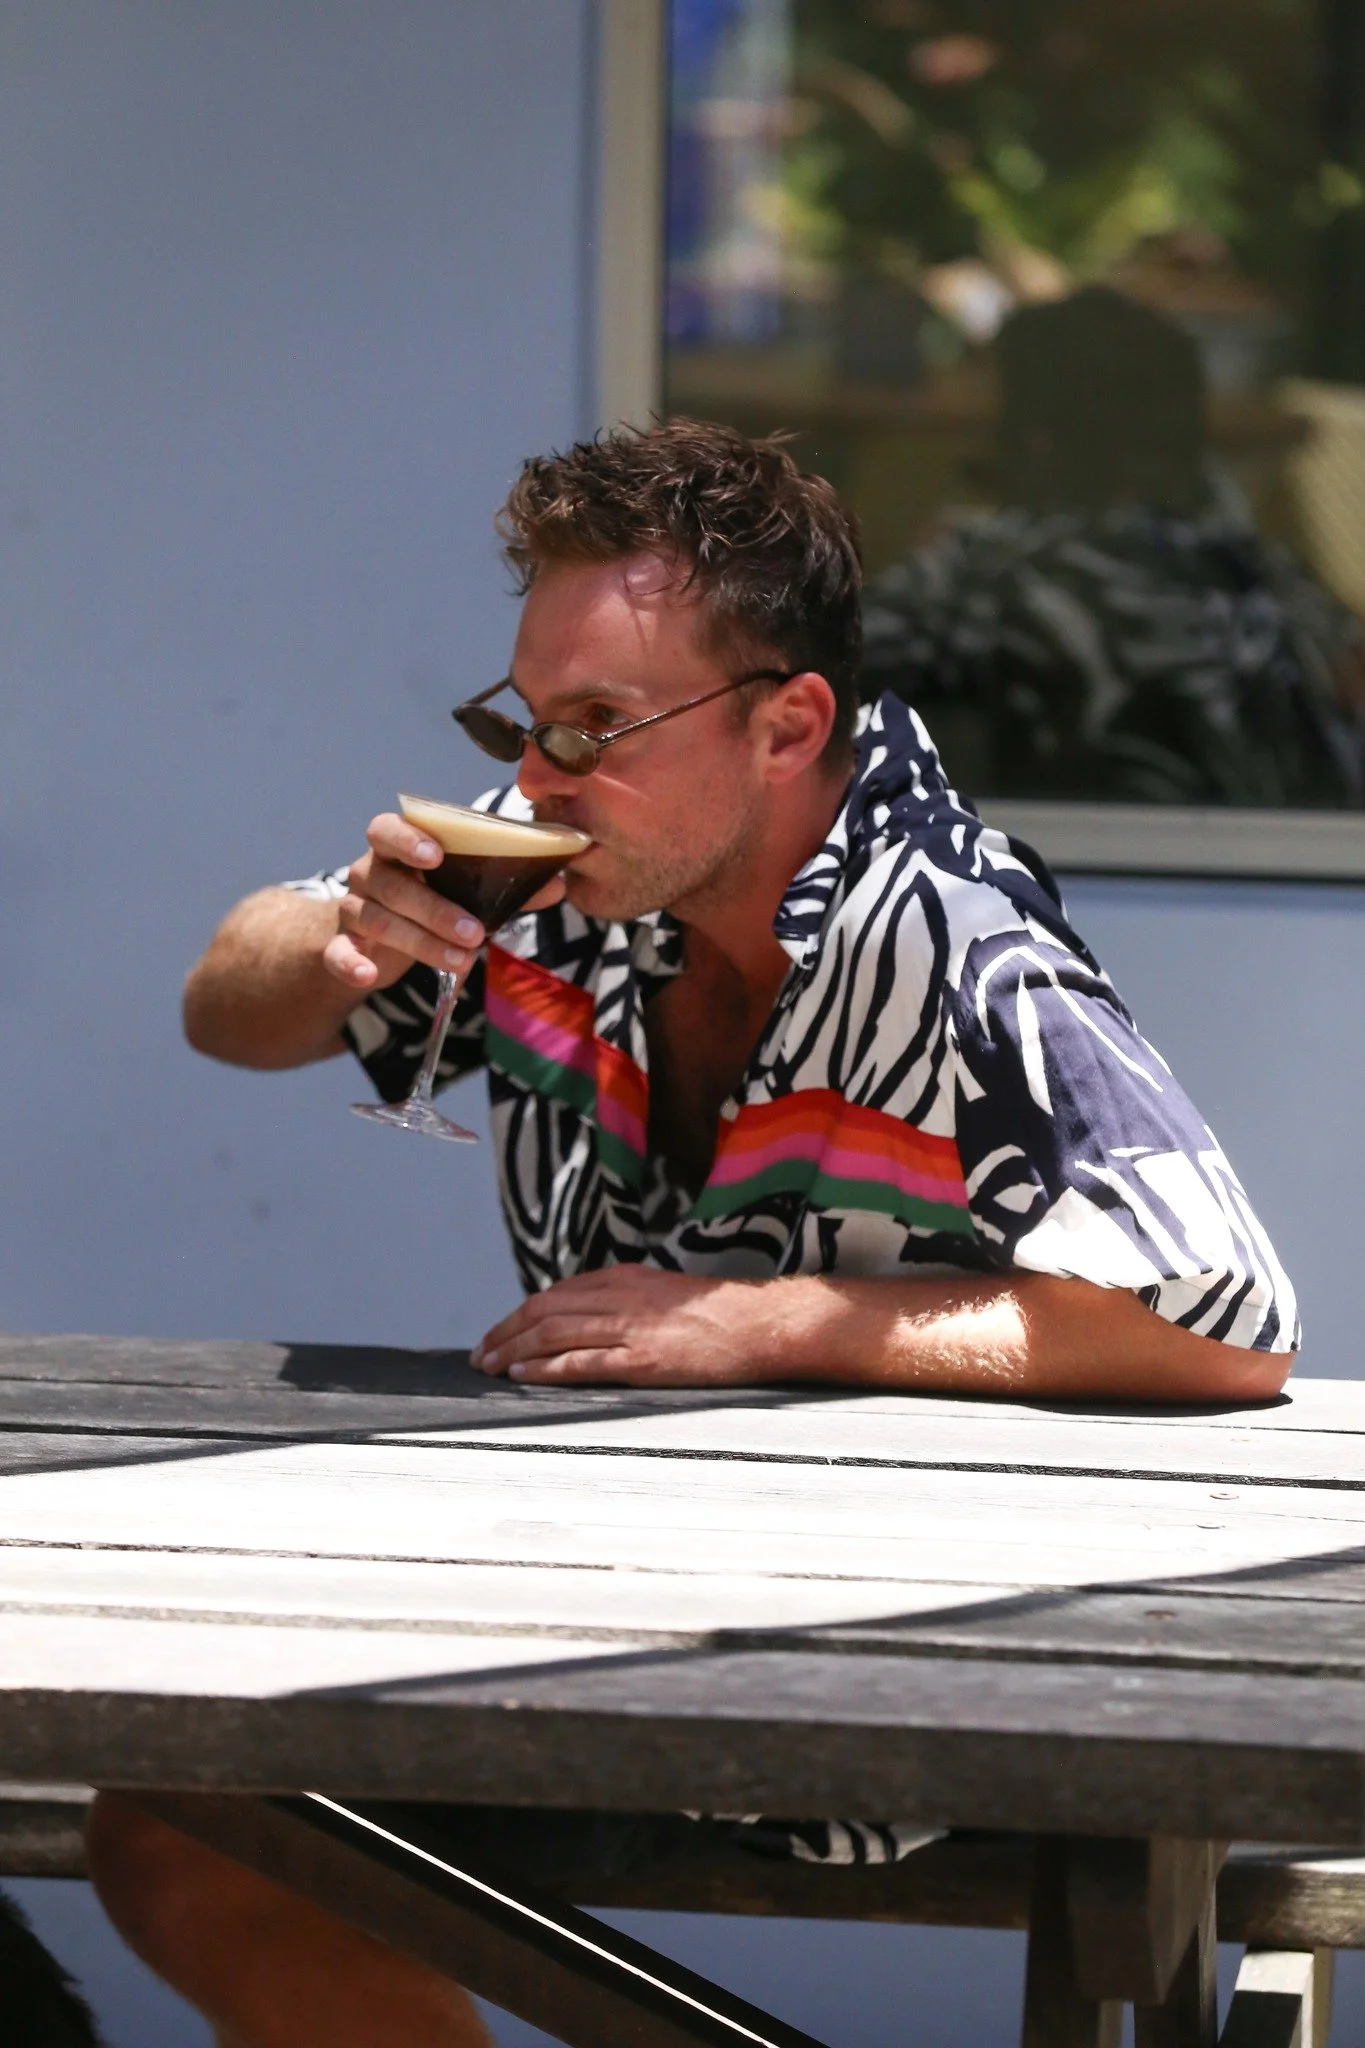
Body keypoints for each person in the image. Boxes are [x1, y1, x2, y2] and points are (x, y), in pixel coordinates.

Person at [86, 419, 1297, 2047]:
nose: (538, 777)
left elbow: (1229, 1326)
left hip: (909, 1674)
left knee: (205, 1809)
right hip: (613, 1614)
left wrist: (781, 1320)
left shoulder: (951, 942)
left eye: (596, 726)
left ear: (790, 718)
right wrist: (336, 944)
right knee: (177, 1816)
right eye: (524, 719)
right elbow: (225, 1012)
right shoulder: (573, 896)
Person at [862, 286, 1365, 805]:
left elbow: (814, 685)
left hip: (1076, 870)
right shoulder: (1273, 580)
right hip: (1296, 875)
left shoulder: (985, 570)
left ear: (1032, 439)